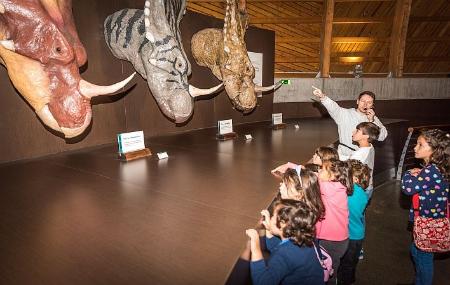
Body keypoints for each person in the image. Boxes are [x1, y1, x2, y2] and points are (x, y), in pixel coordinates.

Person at [401, 129, 450, 285]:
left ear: (434, 151)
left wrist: (408, 173)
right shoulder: (437, 168)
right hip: (430, 218)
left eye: (420, 145)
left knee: (424, 259)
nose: (415, 148)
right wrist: (421, 173)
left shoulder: (431, 171)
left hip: (428, 223)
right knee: (416, 251)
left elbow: (408, 188)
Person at [246, 199, 325, 285]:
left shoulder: (286, 253)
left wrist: (255, 247)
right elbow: (276, 247)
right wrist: (270, 230)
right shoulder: (302, 238)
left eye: (273, 216)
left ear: (283, 224)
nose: (271, 218)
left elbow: (262, 281)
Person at [312, 87, 388, 158]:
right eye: (363, 101)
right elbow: (334, 108)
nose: (365, 104)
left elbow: (382, 137)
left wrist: (372, 121)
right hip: (344, 155)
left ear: (372, 105)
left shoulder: (373, 118)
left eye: (369, 102)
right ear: (357, 101)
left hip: (363, 156)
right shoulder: (345, 114)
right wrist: (323, 97)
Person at [316, 159, 353, 285]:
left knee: (327, 272)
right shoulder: (337, 186)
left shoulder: (329, 189)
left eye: (322, 169)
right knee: (330, 269)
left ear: (332, 176)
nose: (319, 170)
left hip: (331, 241)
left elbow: (309, 179)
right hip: (339, 240)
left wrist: (292, 167)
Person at [337, 159, 371, 285]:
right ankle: (349, 280)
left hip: (350, 236)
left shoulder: (350, 194)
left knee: (345, 264)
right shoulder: (362, 193)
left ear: (355, 179)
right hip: (358, 235)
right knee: (351, 263)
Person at [340, 122, 380, 198]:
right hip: (368, 187)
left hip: (359, 190)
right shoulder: (370, 147)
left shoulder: (360, 154)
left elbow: (345, 167)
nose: (353, 132)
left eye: (357, 130)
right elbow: (351, 158)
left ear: (366, 136)